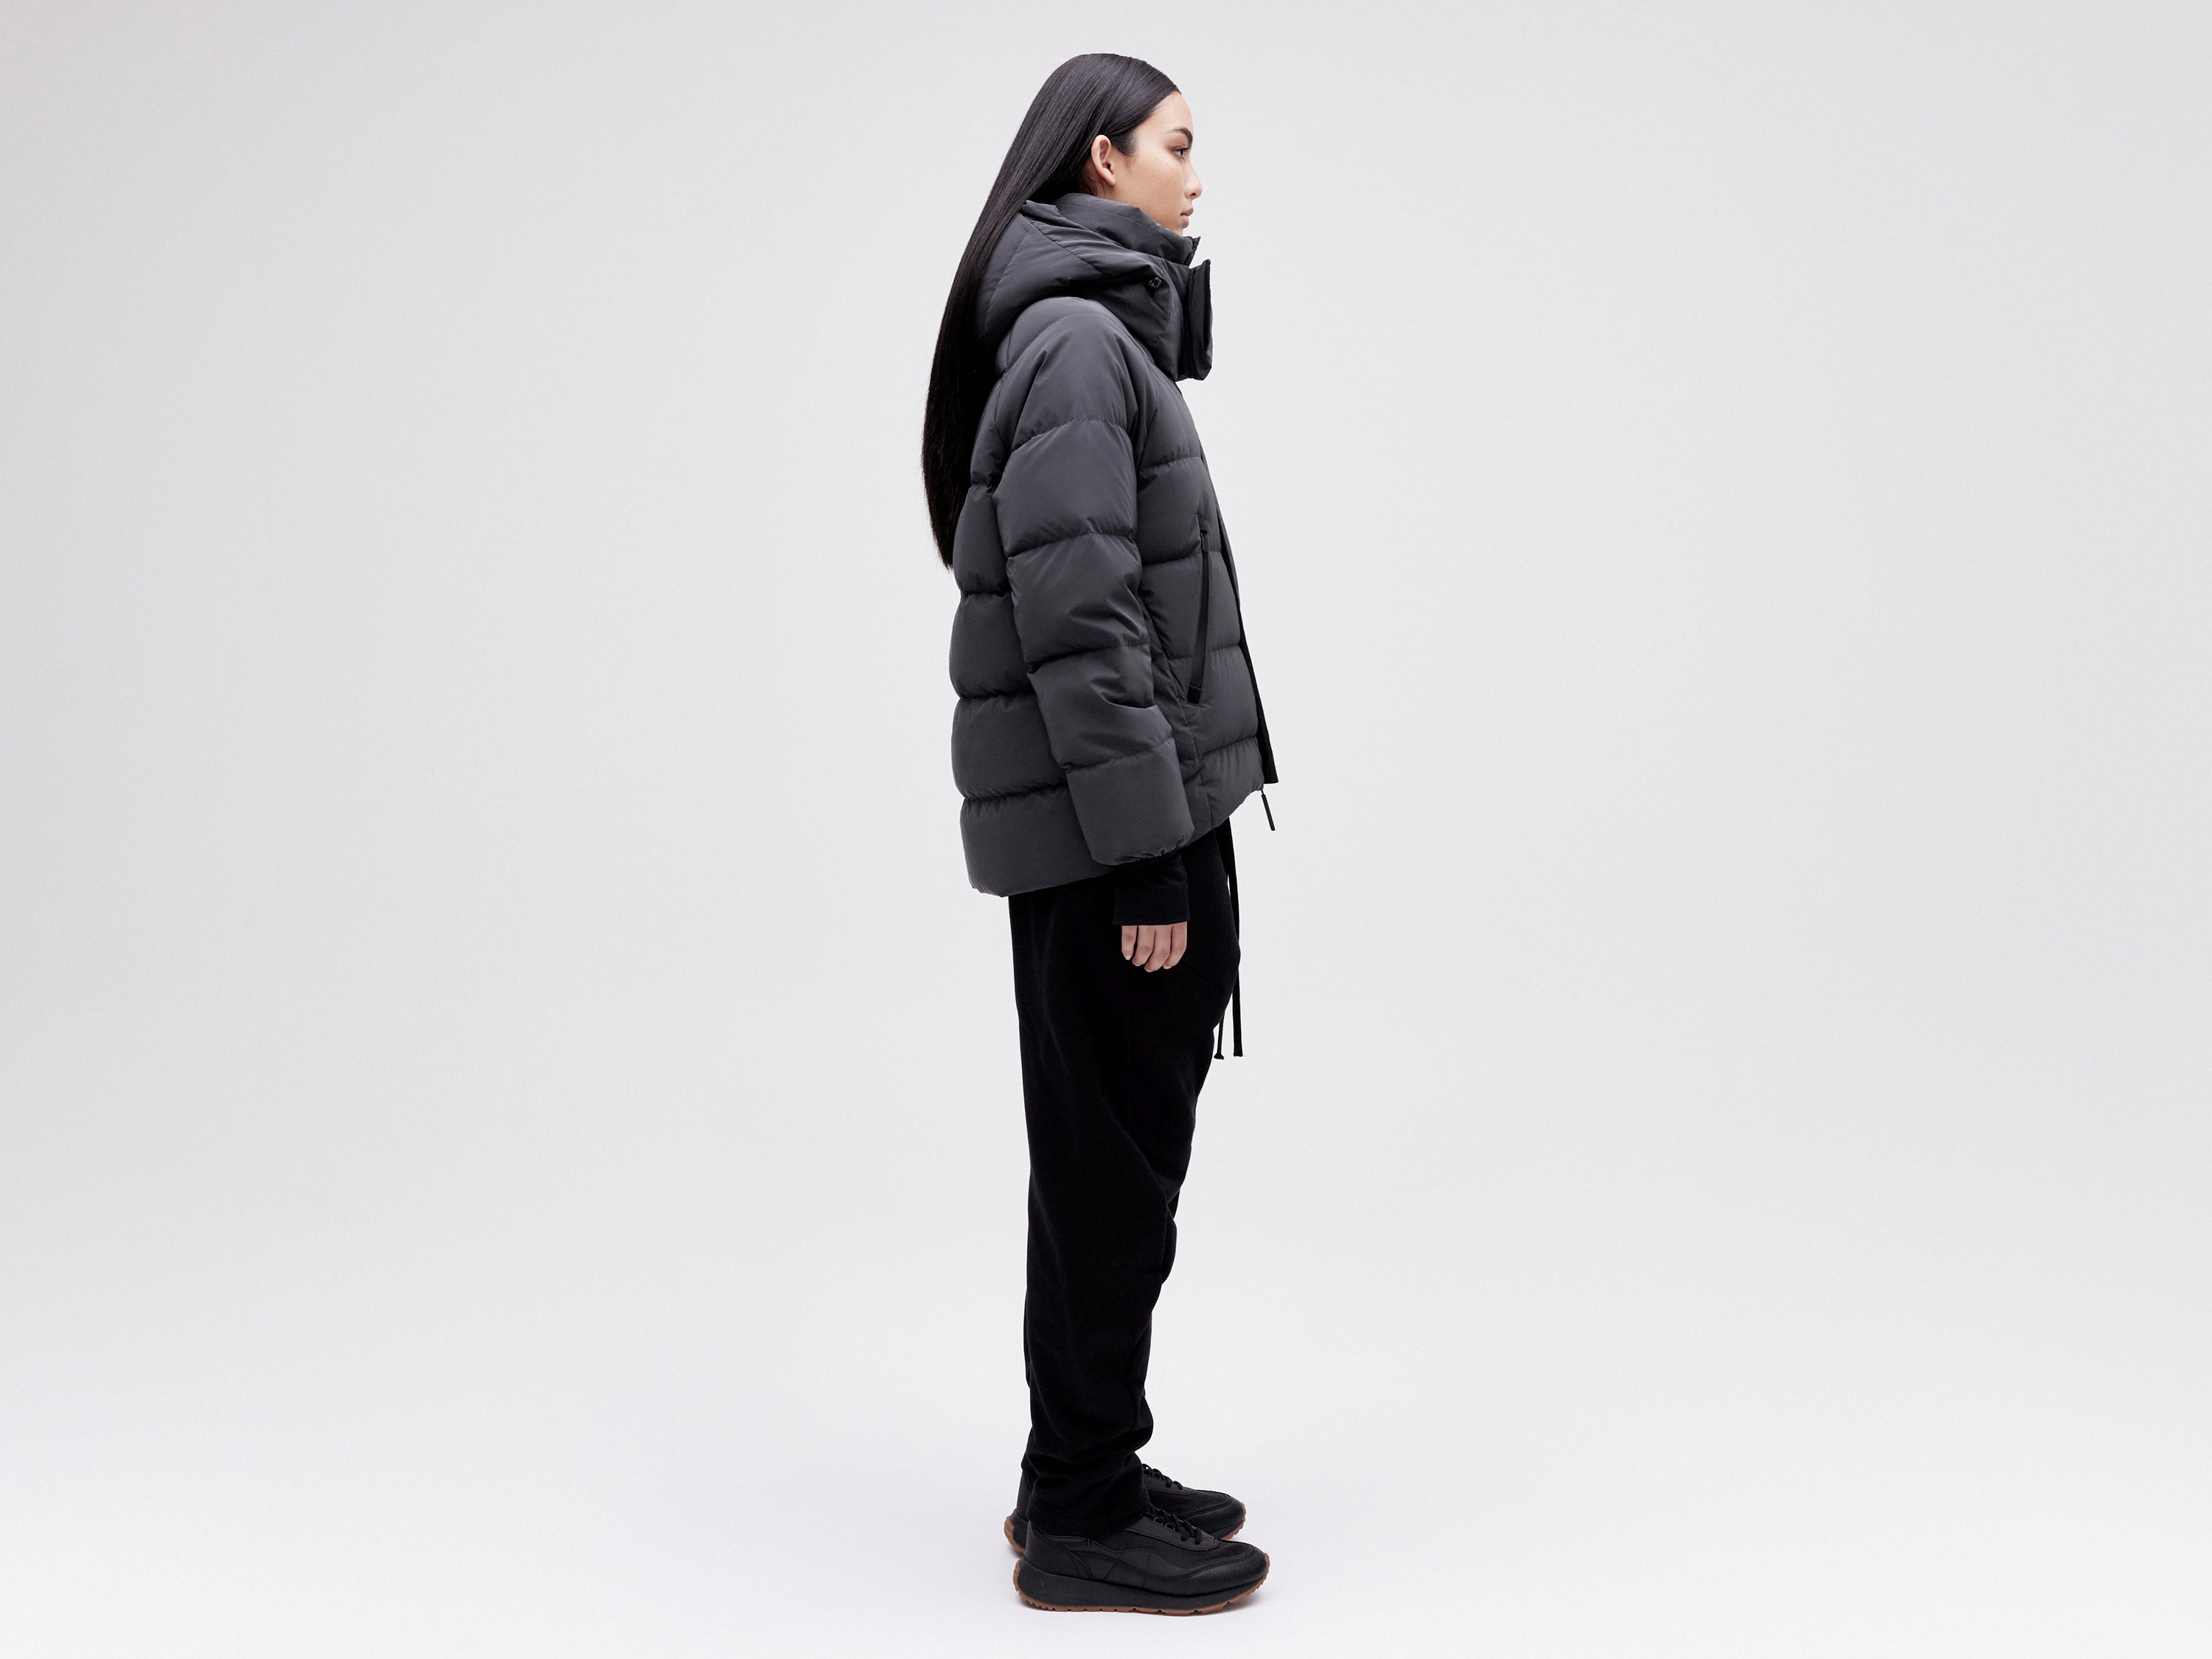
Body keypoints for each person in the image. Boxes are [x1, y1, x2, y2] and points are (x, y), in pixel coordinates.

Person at [922, 52, 1279, 1615]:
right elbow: (1085, 623)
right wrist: (1146, 853)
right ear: (1100, 163)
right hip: (1110, 848)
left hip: (1120, 829)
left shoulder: (1091, 337)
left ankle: (1083, 1468)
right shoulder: (1076, 342)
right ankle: (1078, 1509)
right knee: (1109, 1182)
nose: (1196, 175)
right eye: (1175, 146)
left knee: (1108, 1170)